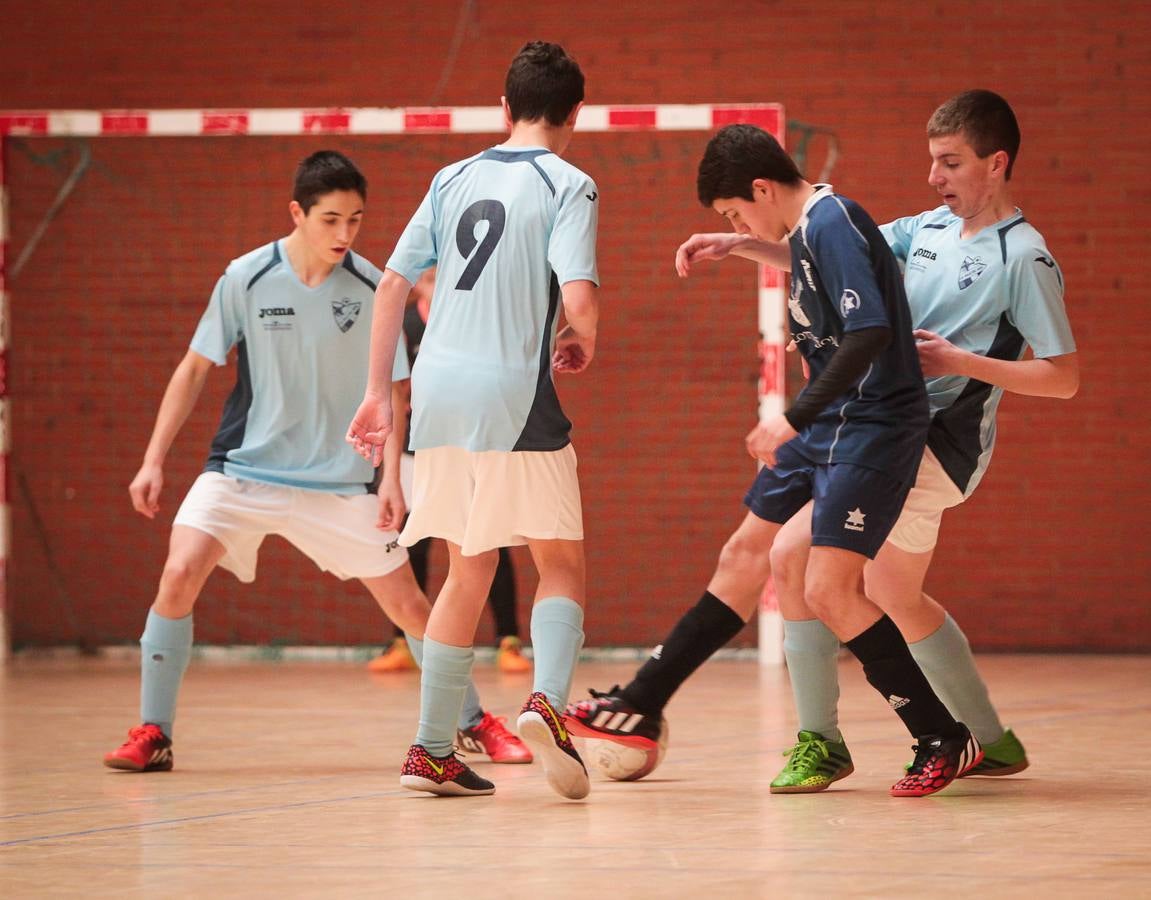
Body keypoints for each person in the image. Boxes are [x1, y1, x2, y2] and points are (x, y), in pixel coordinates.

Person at [566, 124, 982, 798]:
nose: (735, 220)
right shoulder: (812, 231)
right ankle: (641, 701)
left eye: (735, 211)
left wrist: (791, 415)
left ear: (762, 187)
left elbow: (871, 329)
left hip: (871, 425)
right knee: (741, 554)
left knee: (828, 588)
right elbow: (812, 263)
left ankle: (942, 734)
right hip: (828, 424)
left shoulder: (834, 218)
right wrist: (742, 243)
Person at [103, 150, 529, 773]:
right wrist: (153, 460)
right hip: (244, 469)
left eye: (355, 220)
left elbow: (399, 392)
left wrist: (391, 480)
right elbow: (195, 367)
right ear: (297, 213)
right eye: (330, 219)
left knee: (411, 607)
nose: (344, 234)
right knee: (178, 574)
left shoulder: (371, 285)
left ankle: (470, 722)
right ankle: (153, 731)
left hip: (341, 481)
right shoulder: (245, 278)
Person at [762, 90, 1078, 791]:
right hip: (887, 431)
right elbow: (833, 253)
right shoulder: (926, 228)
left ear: (995, 164)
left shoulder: (1023, 258)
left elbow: (1062, 379)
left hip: (935, 443)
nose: (934, 176)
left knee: (792, 557)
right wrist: (744, 242)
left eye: (949, 162)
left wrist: (961, 361)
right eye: (931, 161)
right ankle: (991, 741)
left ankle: (821, 739)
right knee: (893, 593)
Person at [348, 40, 599, 799]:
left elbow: (391, 286)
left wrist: (373, 394)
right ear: (574, 114)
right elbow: (579, 296)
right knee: (560, 561)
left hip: (435, 393)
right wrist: (582, 337)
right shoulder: (570, 182)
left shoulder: (450, 175)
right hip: (509, 393)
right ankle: (547, 708)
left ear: (504, 106)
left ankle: (429, 749)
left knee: (468, 565)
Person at [369, 270, 531, 676]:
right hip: (413, 453)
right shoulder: (404, 328)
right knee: (411, 545)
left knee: (488, 541)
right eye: (425, 274)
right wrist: (390, 473)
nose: (433, 280)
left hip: (468, 448)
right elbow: (393, 399)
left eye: (439, 272)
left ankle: (508, 640)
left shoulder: (473, 318)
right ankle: (403, 642)